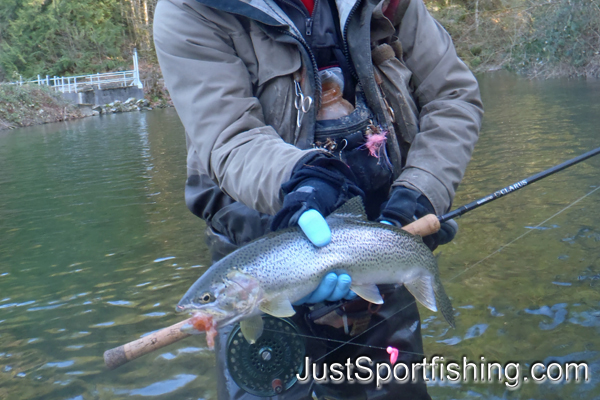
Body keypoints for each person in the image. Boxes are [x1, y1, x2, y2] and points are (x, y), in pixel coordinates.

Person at [153, 0, 483, 398]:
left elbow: (453, 97)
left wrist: (420, 194)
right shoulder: (190, 9)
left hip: (379, 239)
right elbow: (229, 135)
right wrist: (303, 179)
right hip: (257, 244)